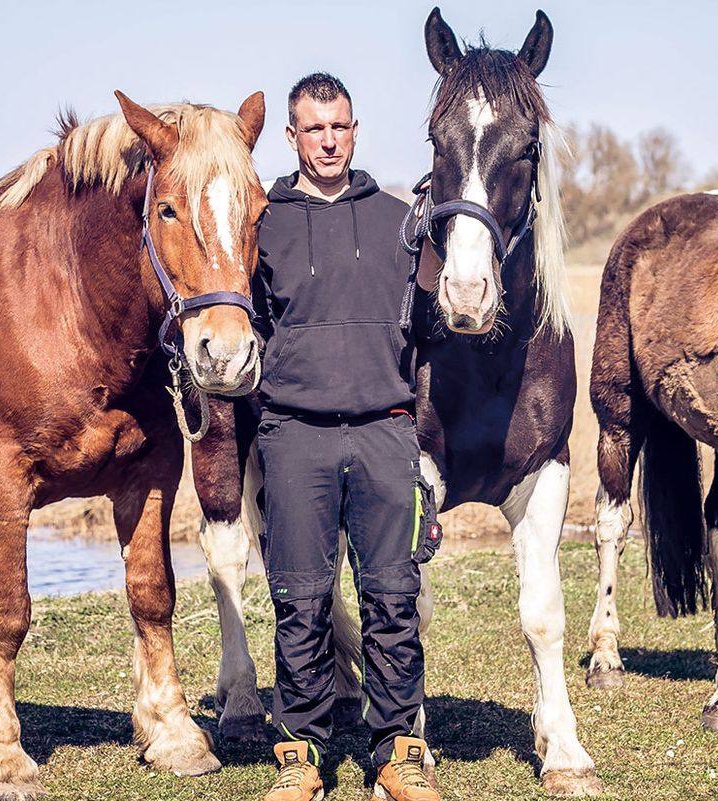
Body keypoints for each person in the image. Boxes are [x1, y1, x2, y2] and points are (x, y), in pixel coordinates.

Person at [253, 72, 439, 801]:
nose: (328, 139)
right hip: (294, 434)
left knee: (393, 596)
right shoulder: (260, 222)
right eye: (313, 127)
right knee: (299, 600)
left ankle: (397, 753)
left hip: (384, 431)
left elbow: (432, 333)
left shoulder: (400, 220)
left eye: (340, 126)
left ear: (354, 131)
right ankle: (300, 757)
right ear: (292, 136)